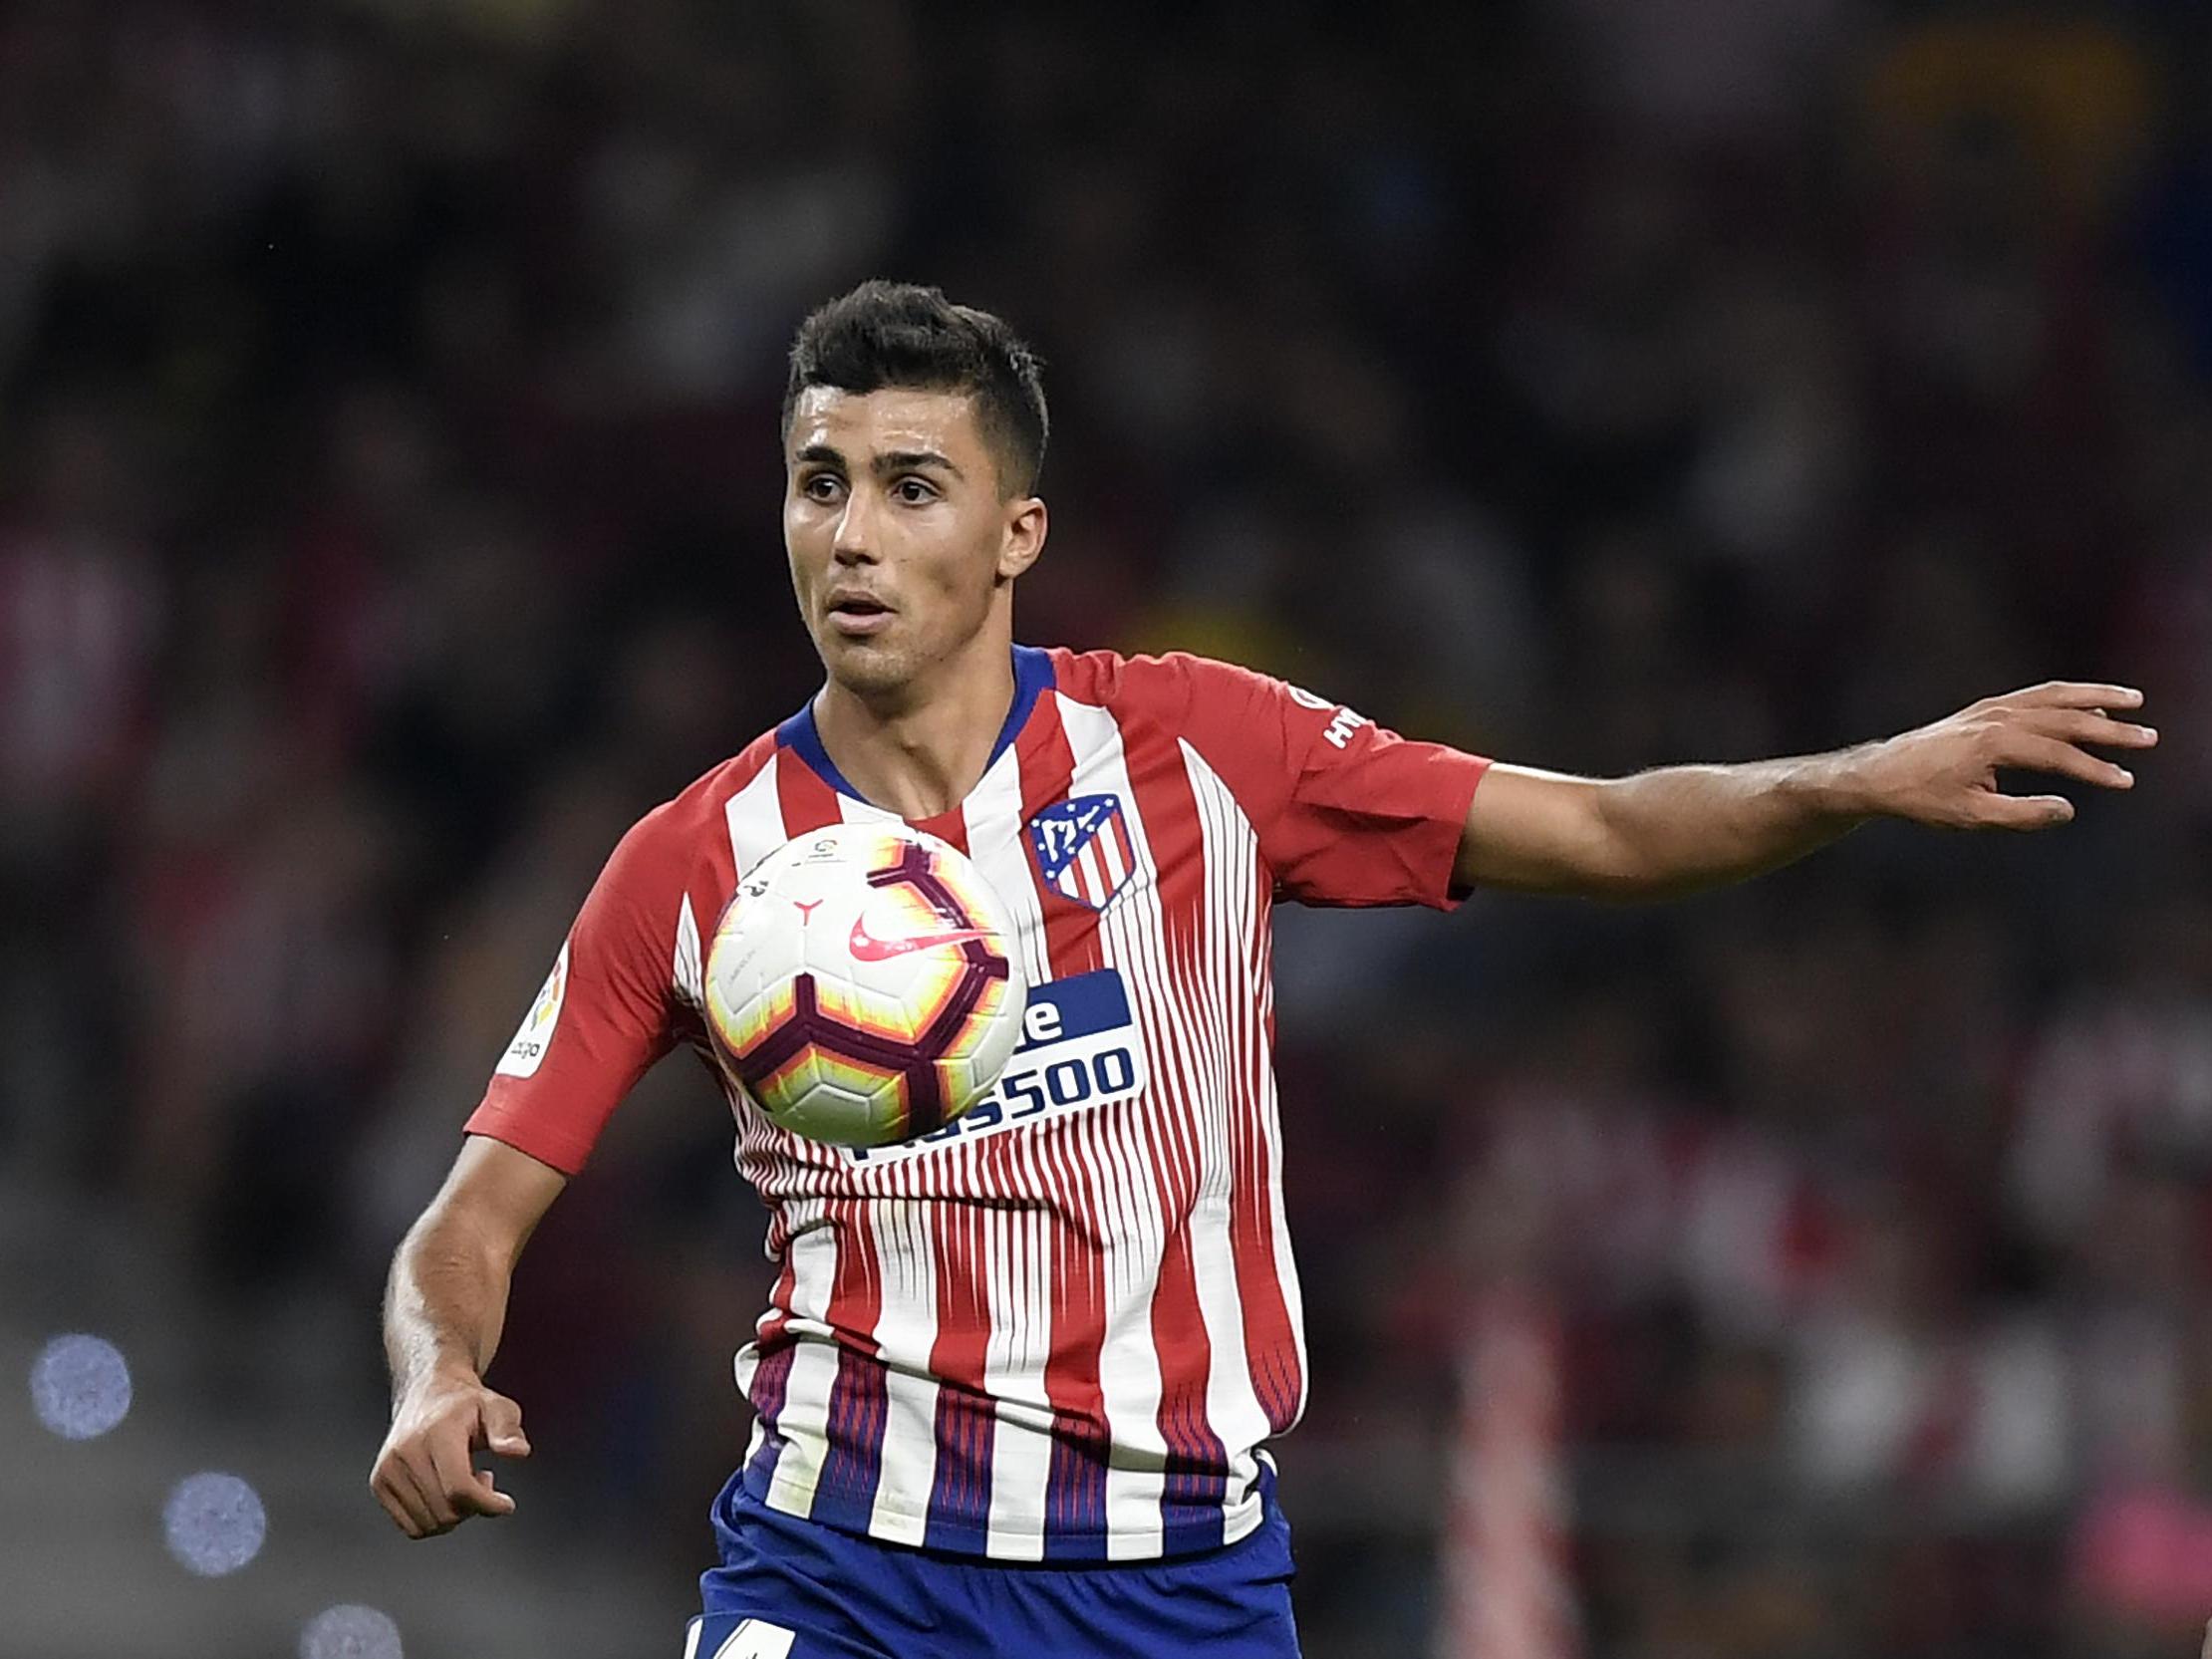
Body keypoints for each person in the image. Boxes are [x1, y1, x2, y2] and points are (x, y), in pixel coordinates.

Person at [370, 280, 2154, 1657]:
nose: (850, 532)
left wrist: (1855, 775)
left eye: (912, 486)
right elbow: (469, 1219)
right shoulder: (692, 862)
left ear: (1016, 535)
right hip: (842, 1566)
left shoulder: (1207, 751)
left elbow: (1608, 829)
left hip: (1180, 1580)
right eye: (818, 482)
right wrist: (438, 1371)